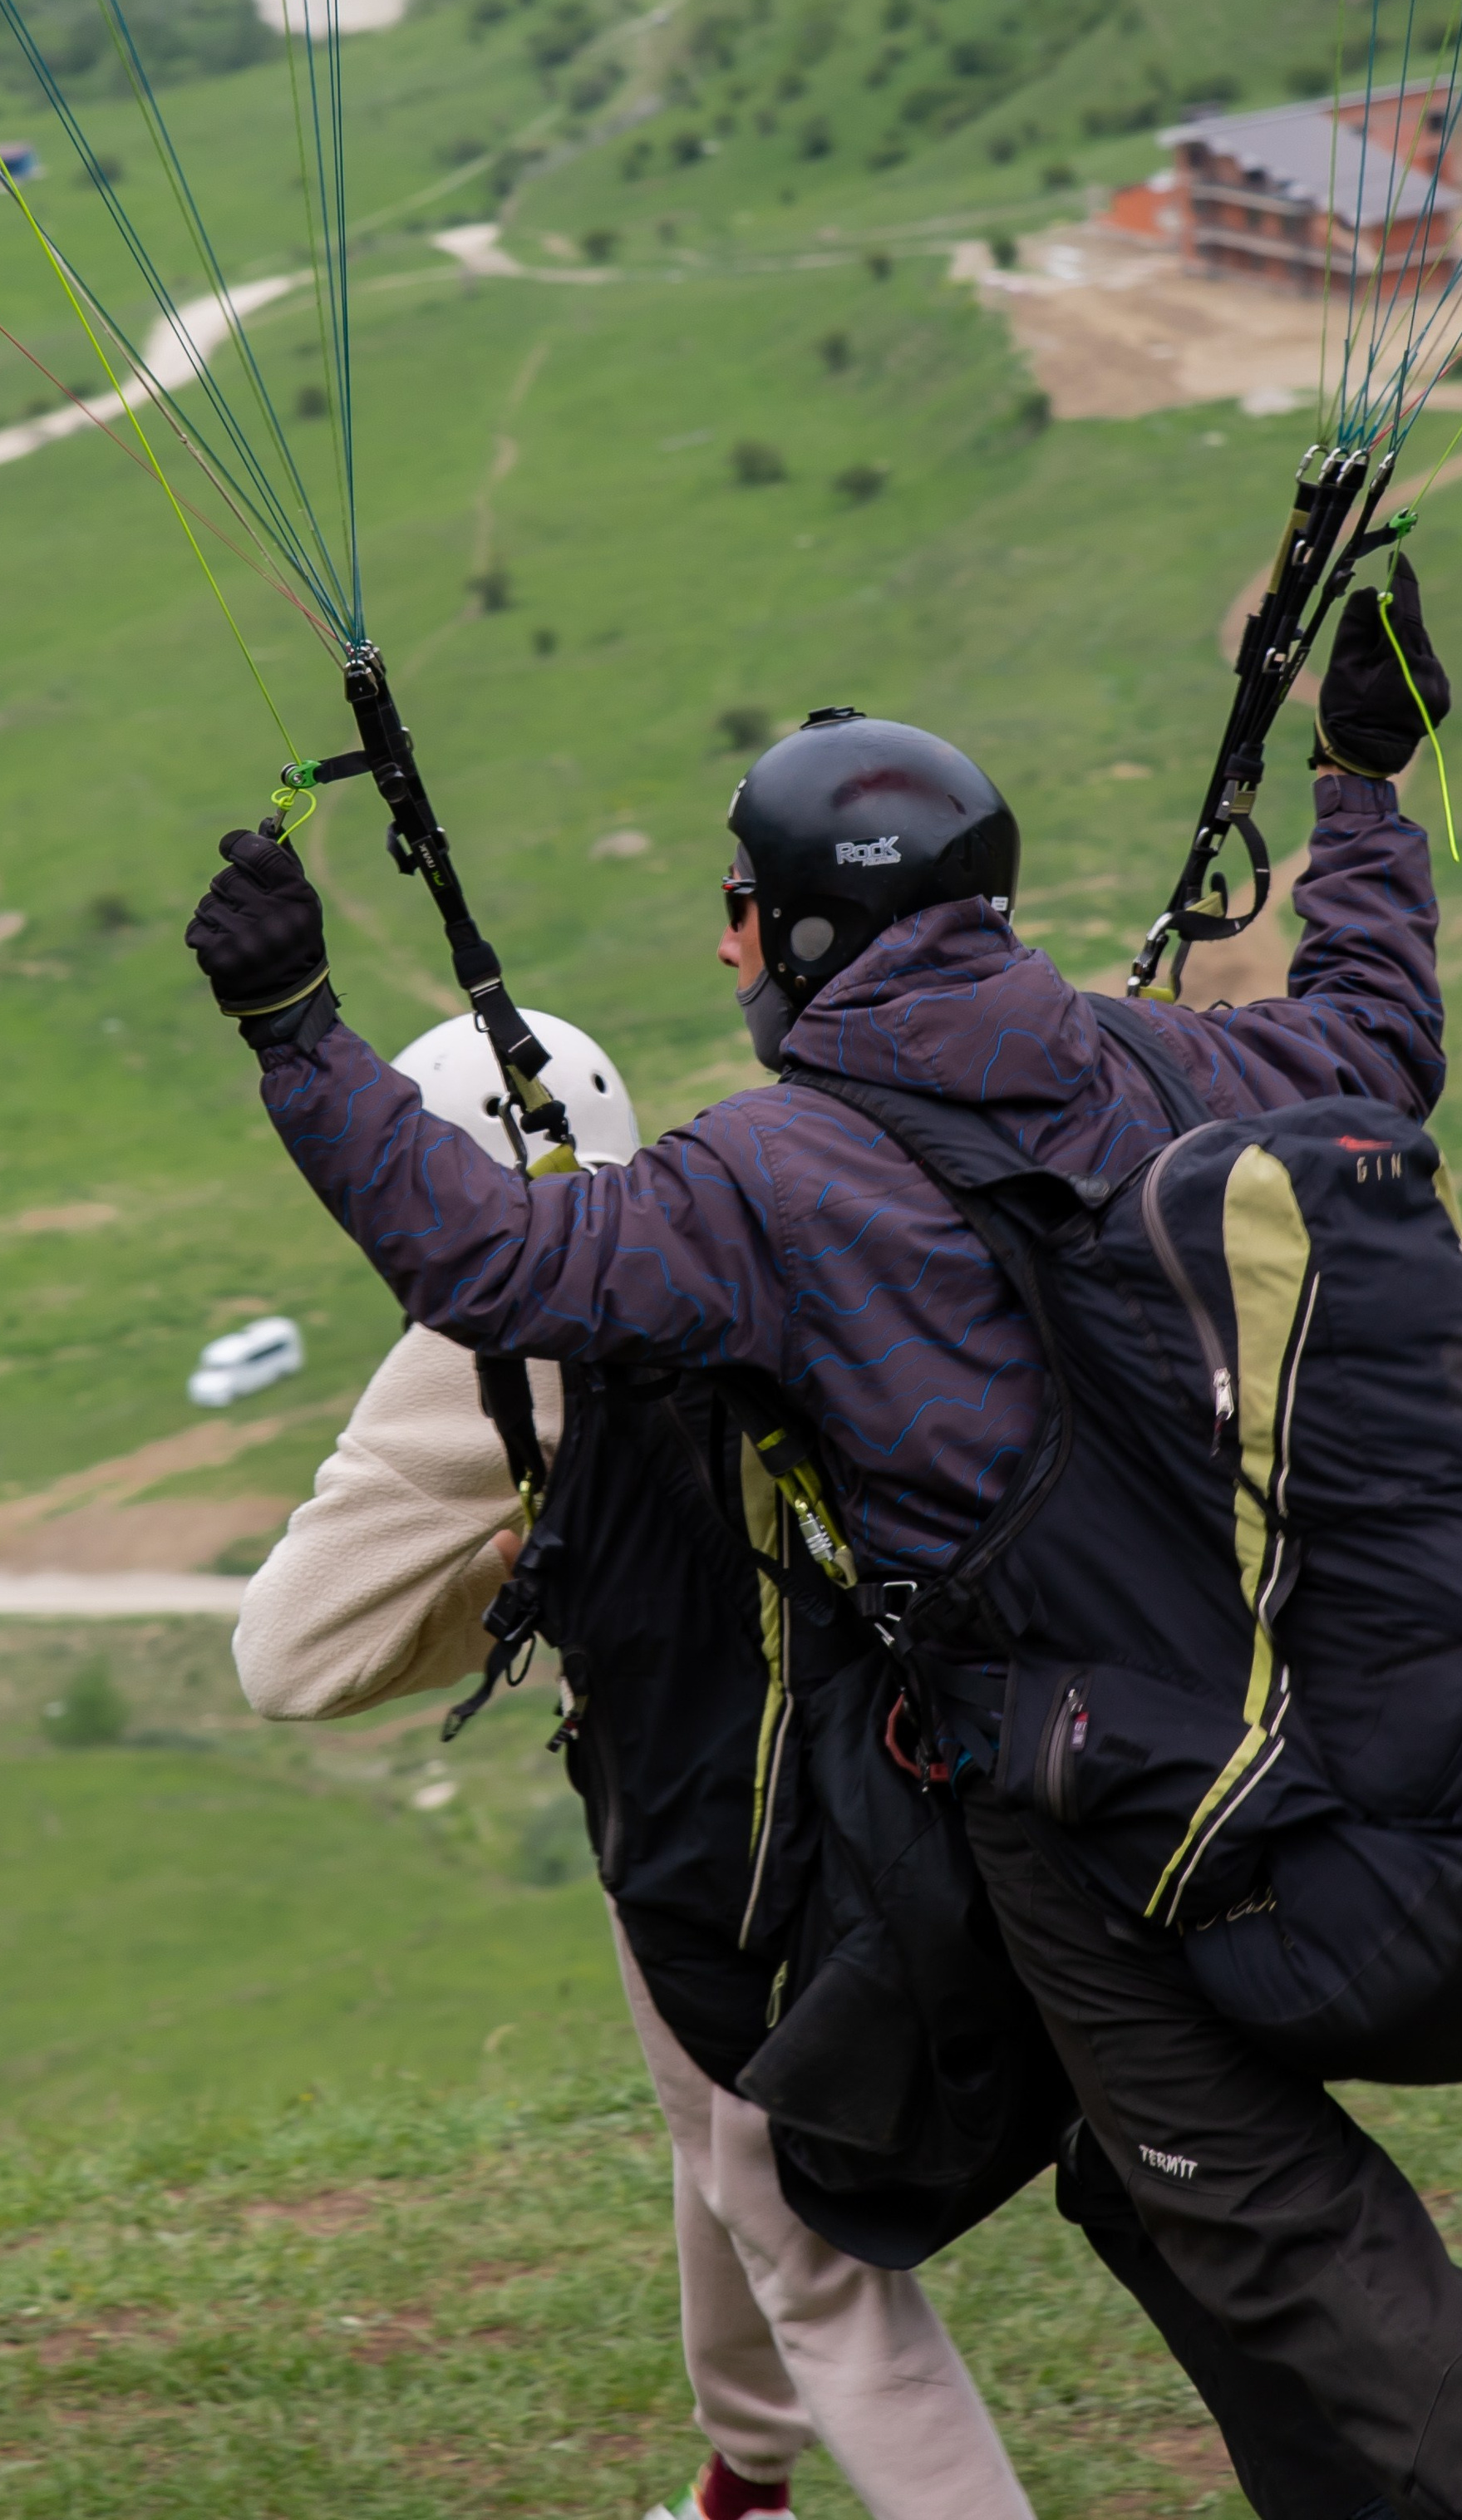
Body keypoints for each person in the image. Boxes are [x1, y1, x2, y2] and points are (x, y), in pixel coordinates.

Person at [188, 571, 1462, 2520]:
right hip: (1367, 1739)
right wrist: (1356, 778)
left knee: (1246, 2217)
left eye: (739, 907)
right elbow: (1375, 1022)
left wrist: (295, 1030)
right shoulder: (1186, 1058)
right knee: (1152, 2178)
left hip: (1142, 1819)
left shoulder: (775, 1181)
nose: (728, 940)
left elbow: (498, 1256)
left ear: (797, 933)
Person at [233, 1006, 1041, 2520]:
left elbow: (288, 1657)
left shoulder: (492, 1341)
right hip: (914, 1783)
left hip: (718, 1840)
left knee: (814, 2267)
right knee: (723, 2148)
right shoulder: (741, 1220)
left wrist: (510, 1578)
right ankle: (745, 2482)